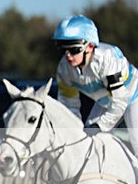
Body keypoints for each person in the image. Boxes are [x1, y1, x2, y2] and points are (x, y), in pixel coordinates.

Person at [53, 14, 138, 152]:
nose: (68, 55)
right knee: (87, 141)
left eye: (74, 49)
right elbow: (69, 106)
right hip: (107, 101)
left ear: (90, 46)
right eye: (63, 49)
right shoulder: (64, 70)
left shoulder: (107, 59)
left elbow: (120, 102)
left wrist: (100, 127)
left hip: (132, 97)